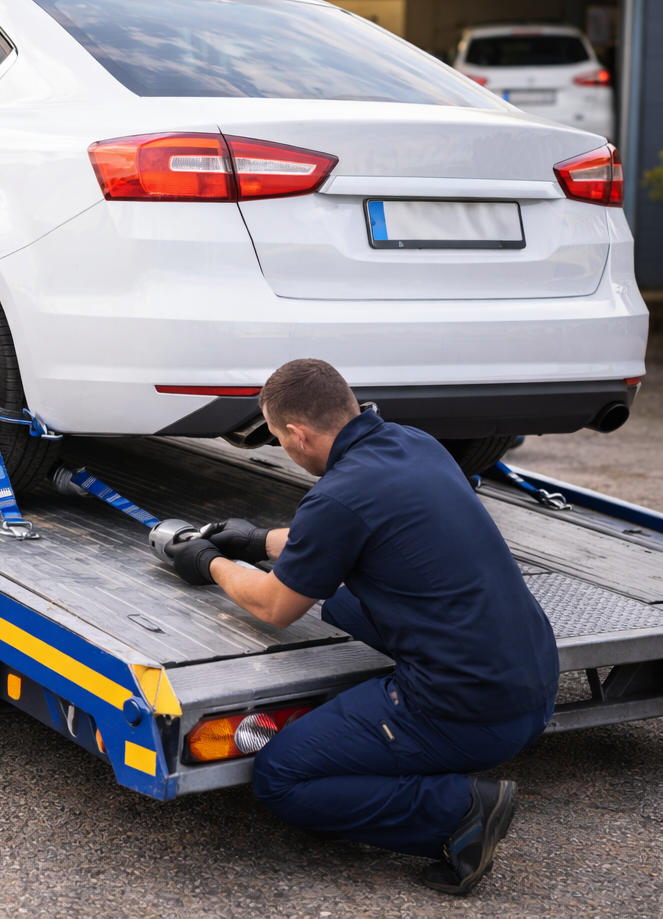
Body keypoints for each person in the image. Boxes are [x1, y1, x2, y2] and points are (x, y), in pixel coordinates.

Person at [166, 358, 557, 895]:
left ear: (298, 434)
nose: (284, 447)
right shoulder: (413, 444)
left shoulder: (337, 497)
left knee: (284, 776)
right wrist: (255, 542)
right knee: (344, 602)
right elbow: (345, 531)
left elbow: (276, 607)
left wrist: (209, 562)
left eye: (279, 439)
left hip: (468, 709)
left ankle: (458, 811)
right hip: (533, 681)